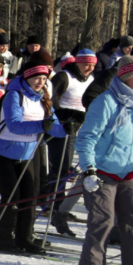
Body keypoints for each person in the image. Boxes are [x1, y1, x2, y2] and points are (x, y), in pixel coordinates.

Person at [74, 58, 133, 265]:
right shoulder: (106, 102)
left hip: (129, 172)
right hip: (102, 171)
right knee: (102, 220)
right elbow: (86, 138)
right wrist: (89, 170)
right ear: (123, 77)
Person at [0, 60, 61, 254]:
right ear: (27, 77)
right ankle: (3, 240)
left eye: (44, 79)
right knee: (12, 196)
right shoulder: (14, 95)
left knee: (30, 197)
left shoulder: (43, 98)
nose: (40, 82)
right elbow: (14, 124)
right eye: (37, 78)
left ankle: (24, 239)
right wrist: (41, 126)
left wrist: (70, 128)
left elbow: (54, 125)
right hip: (2, 154)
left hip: (27, 153)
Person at [48, 50, 99, 237]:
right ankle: (56, 208)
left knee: (75, 169)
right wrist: (65, 115)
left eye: (93, 65)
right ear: (77, 62)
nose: (90, 68)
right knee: (61, 168)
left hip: (82, 128)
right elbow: (50, 100)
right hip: (62, 127)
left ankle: (60, 208)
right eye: (86, 64)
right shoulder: (64, 76)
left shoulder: (92, 79)